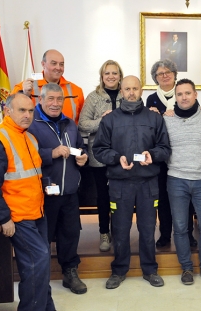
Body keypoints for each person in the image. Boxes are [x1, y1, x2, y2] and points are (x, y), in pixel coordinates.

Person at [0, 93, 56, 311]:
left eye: (31, 111)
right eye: (22, 110)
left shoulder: (29, 138)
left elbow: (32, 175)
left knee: (40, 265)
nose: (27, 115)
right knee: (36, 263)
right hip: (16, 217)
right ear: (7, 111)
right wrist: (4, 218)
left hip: (37, 213)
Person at [93, 75, 171, 289]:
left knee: (147, 228)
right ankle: (118, 271)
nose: (131, 92)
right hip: (120, 184)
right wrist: (116, 158)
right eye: (127, 89)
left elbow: (165, 148)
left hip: (148, 184)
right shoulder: (110, 119)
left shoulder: (155, 118)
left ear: (141, 91)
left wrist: (152, 155)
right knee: (119, 229)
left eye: (135, 88)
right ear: (121, 91)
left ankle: (150, 269)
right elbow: (99, 149)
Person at [28, 83, 88, 295]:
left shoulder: (70, 123)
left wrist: (83, 156)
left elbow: (80, 146)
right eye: (51, 99)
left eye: (59, 99)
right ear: (41, 100)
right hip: (45, 194)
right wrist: (49, 154)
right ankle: (40, 278)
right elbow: (24, 155)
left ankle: (70, 272)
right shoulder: (31, 124)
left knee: (70, 234)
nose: (55, 104)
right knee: (43, 236)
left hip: (70, 192)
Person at [164, 78, 201, 285]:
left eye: (188, 93)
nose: (184, 97)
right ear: (175, 97)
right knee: (180, 227)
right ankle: (186, 268)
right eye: (180, 94)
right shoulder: (166, 119)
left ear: (195, 95)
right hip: (176, 179)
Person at [146, 59, 199, 249]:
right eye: (160, 73)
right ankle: (165, 234)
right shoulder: (151, 99)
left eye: (168, 72)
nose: (165, 75)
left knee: (186, 199)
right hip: (161, 157)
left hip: (182, 154)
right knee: (163, 199)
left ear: (175, 74)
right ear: (155, 78)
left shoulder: (184, 93)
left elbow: (195, 114)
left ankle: (188, 235)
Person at [78, 60, 123, 252]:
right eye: (107, 73)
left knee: (120, 196)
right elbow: (82, 124)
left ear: (120, 76)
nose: (111, 76)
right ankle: (104, 232)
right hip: (99, 156)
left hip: (122, 156)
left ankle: (120, 232)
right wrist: (102, 121)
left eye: (114, 73)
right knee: (103, 196)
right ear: (102, 76)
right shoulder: (93, 97)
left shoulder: (127, 94)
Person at [12, 49, 85, 124]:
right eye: (54, 63)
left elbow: (83, 121)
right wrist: (25, 94)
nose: (58, 67)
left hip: (68, 134)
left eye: (61, 64)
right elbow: (12, 116)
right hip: (35, 134)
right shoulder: (22, 88)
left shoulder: (76, 90)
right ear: (43, 64)